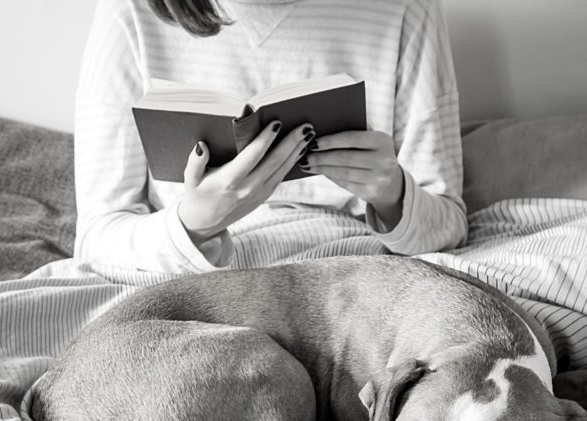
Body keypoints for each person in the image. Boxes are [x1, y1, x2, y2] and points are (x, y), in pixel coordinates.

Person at [74, 0, 467, 274]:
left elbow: (449, 223)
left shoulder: (405, 7)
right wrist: (192, 225)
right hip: (195, 278)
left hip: (350, 270)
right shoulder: (130, 11)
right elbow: (96, 239)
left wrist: (393, 195)